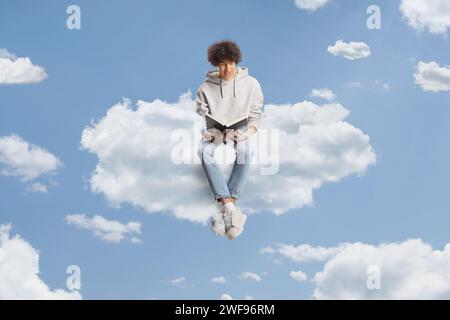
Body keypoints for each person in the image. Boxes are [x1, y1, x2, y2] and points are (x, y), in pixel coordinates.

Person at [195, 40, 264, 240]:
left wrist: (246, 133)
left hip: (241, 127)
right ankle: (231, 210)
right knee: (203, 152)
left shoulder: (251, 84)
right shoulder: (205, 88)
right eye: (222, 64)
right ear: (216, 64)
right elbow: (201, 117)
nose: (227, 69)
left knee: (246, 152)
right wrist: (208, 132)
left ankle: (226, 208)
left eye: (231, 63)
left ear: (236, 61)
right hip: (215, 129)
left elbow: (255, 116)